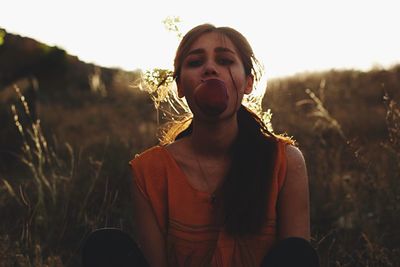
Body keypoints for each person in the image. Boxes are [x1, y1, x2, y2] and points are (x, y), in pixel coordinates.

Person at [81, 23, 319, 267]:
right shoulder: (148, 171)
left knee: (297, 252)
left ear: (248, 83)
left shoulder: (285, 161)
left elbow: (294, 257)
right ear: (181, 87)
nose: (210, 69)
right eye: (195, 63)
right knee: (105, 246)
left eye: (225, 60)